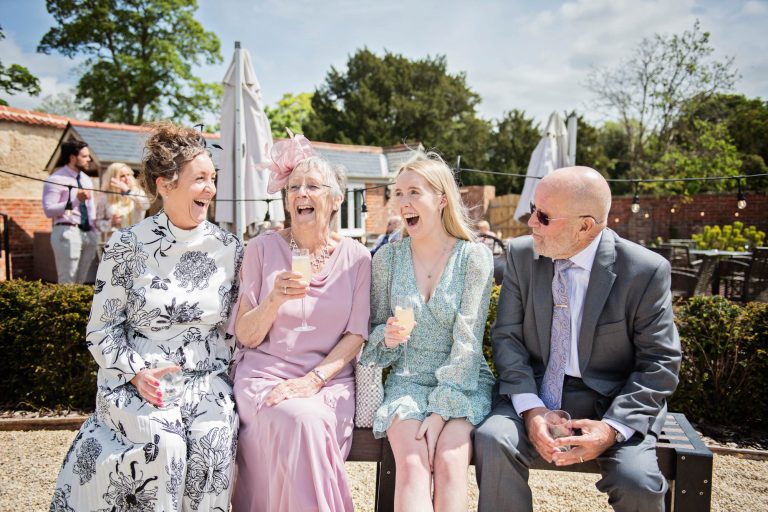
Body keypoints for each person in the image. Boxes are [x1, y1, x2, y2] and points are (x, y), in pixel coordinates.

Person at [50, 123, 243, 512]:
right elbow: (101, 331)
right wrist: (137, 372)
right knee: (164, 444)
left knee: (215, 439)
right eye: (200, 179)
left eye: (213, 178)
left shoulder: (230, 248)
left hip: (205, 379)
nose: (211, 188)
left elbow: (234, 329)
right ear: (164, 185)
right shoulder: (127, 245)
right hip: (138, 377)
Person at [474, 166, 682, 512]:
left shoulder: (644, 271)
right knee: (493, 438)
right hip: (535, 392)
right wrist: (531, 410)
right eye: (532, 210)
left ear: (585, 226)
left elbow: (659, 363)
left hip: (611, 404)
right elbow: (506, 338)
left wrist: (612, 429)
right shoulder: (522, 256)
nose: (531, 223)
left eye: (543, 216)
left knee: (639, 484)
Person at [230, 133, 371, 512]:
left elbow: (356, 334)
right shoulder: (261, 249)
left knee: (307, 419)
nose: (300, 193)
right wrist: (274, 299)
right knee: (298, 420)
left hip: (327, 382)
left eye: (312, 186)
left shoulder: (357, 257)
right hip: (265, 377)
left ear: (336, 199)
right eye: (293, 187)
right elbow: (245, 334)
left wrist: (312, 380)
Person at [360, 152, 495, 512]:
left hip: (463, 382)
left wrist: (440, 411)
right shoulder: (387, 259)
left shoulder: (474, 258)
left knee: (451, 464)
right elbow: (373, 334)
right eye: (398, 193)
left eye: (413, 192)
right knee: (413, 464)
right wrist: (386, 338)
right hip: (407, 380)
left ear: (441, 199)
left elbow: (468, 343)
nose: (403, 202)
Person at [42, 140, 98, 283]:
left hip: (88, 233)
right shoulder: (55, 179)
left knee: (81, 282)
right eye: (85, 156)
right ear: (73, 158)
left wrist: (94, 230)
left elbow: (91, 208)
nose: (89, 159)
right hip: (67, 231)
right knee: (68, 282)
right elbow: (49, 210)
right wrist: (75, 200)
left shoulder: (86, 180)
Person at [96, 162, 150, 242]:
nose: (127, 178)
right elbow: (98, 223)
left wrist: (128, 191)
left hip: (135, 241)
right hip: (114, 243)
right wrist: (111, 223)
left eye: (128, 175)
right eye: (122, 176)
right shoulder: (105, 197)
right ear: (113, 178)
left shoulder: (137, 193)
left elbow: (146, 205)